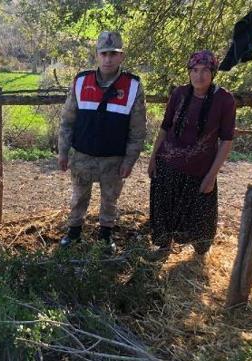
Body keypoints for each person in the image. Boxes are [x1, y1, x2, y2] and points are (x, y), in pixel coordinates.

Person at [58, 31, 147, 252]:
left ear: (121, 56)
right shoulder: (81, 81)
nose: (108, 59)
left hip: (114, 159)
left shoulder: (133, 86)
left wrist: (130, 160)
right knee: (79, 197)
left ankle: (106, 237)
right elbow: (67, 121)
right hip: (82, 155)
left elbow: (138, 130)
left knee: (110, 200)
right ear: (97, 55)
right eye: (104, 53)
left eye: (113, 54)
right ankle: (74, 234)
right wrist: (62, 152)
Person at [148, 50, 236, 255]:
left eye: (205, 70)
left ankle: (198, 256)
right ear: (189, 72)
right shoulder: (179, 93)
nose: (199, 75)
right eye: (195, 70)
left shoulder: (224, 100)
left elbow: (226, 140)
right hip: (168, 165)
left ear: (213, 72)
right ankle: (163, 247)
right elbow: (165, 127)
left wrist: (211, 175)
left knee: (201, 220)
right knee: (164, 211)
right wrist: (153, 158)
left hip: (199, 171)